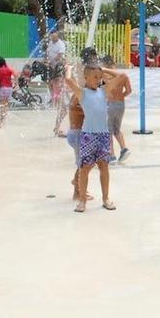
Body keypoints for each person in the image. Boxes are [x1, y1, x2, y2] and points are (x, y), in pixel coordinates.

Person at [65, 63, 116, 213]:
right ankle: (82, 201)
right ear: (85, 77)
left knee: (104, 167)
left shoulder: (103, 91)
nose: (98, 80)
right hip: (88, 135)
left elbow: (120, 76)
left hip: (103, 135)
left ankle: (106, 198)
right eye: (95, 77)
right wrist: (69, 68)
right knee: (85, 168)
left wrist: (103, 70)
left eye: (100, 77)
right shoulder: (82, 93)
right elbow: (68, 81)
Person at [101, 56, 131, 163]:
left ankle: (111, 155)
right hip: (121, 104)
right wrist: (121, 96)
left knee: (108, 130)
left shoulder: (104, 76)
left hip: (109, 104)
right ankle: (124, 149)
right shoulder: (123, 76)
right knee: (116, 129)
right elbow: (129, 91)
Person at [0, 57, 16, 126]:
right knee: (6, 105)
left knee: (2, 105)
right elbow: (16, 75)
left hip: (3, 89)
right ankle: (4, 120)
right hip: (10, 89)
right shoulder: (10, 69)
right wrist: (15, 84)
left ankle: (1, 121)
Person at [46, 31, 67, 104]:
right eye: (52, 37)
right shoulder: (50, 43)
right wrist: (47, 60)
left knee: (57, 82)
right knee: (49, 82)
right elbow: (48, 52)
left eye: (55, 37)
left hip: (59, 66)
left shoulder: (61, 44)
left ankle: (60, 99)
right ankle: (53, 97)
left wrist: (51, 61)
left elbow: (60, 55)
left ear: (58, 37)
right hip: (51, 66)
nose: (53, 38)